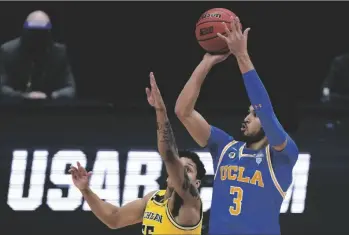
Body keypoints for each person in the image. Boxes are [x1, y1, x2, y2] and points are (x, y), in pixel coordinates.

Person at [175, 16, 299, 235]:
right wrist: (206, 63)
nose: (247, 118)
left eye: (254, 114)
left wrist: (241, 55)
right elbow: (183, 111)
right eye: (247, 112)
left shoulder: (283, 154)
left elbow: (266, 113)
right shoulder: (224, 147)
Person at [69, 72, 205, 235]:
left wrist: (160, 111)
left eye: (187, 170)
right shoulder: (154, 199)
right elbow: (115, 218)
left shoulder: (190, 205)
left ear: (196, 184)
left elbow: (170, 156)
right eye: (179, 167)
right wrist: (85, 190)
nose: (179, 171)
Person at [0, 10, 75, 100]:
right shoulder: (8, 52)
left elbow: (70, 90)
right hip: (17, 110)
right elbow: (2, 88)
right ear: (25, 33)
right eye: (33, 33)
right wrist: (23, 96)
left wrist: (50, 96)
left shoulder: (59, 53)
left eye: (41, 34)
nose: (37, 39)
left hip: (50, 110)